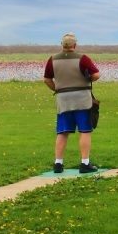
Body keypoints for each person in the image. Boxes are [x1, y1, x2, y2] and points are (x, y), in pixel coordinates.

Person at [43, 32, 100, 174]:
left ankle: (58, 163)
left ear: (61, 45)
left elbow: (47, 79)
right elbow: (96, 75)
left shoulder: (52, 60)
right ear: (75, 45)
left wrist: (58, 89)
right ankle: (85, 163)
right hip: (82, 99)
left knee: (62, 132)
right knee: (85, 131)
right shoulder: (83, 59)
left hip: (63, 100)